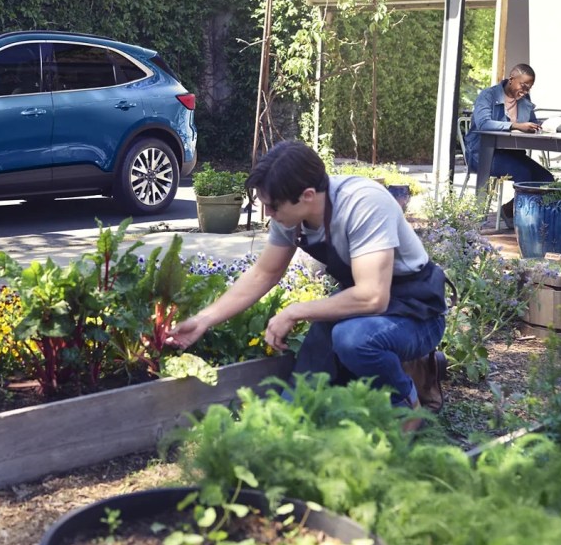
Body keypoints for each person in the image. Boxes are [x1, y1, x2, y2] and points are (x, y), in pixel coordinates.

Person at [166, 140, 447, 414]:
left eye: (273, 206)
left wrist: (295, 312)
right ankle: (289, 422)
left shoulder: (363, 204)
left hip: (417, 311)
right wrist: (203, 320)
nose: (268, 214)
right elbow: (264, 273)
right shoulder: (291, 215)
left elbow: (372, 296)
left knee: (352, 339)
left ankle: (406, 406)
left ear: (308, 195)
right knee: (307, 379)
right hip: (361, 306)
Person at [464, 63, 554, 223]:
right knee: (524, 174)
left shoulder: (524, 99)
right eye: (523, 86)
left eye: (529, 88)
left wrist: (541, 126)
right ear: (511, 79)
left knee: (547, 179)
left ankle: (509, 210)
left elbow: (531, 122)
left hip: (512, 153)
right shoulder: (488, 95)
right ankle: (525, 222)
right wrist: (515, 125)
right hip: (482, 154)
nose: (525, 91)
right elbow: (483, 124)